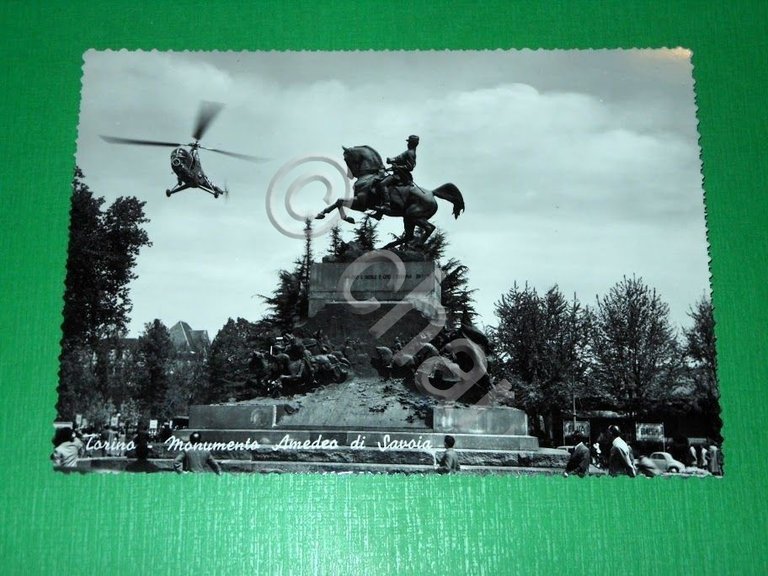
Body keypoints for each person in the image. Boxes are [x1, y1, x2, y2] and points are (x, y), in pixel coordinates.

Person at [374, 135, 419, 212]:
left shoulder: (410, 153)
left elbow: (410, 167)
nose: (407, 144)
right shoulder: (408, 152)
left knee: (382, 184)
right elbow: (397, 158)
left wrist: (397, 167)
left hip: (400, 176)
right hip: (398, 174)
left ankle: (387, 205)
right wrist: (391, 161)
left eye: (409, 142)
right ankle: (379, 212)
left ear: (411, 143)